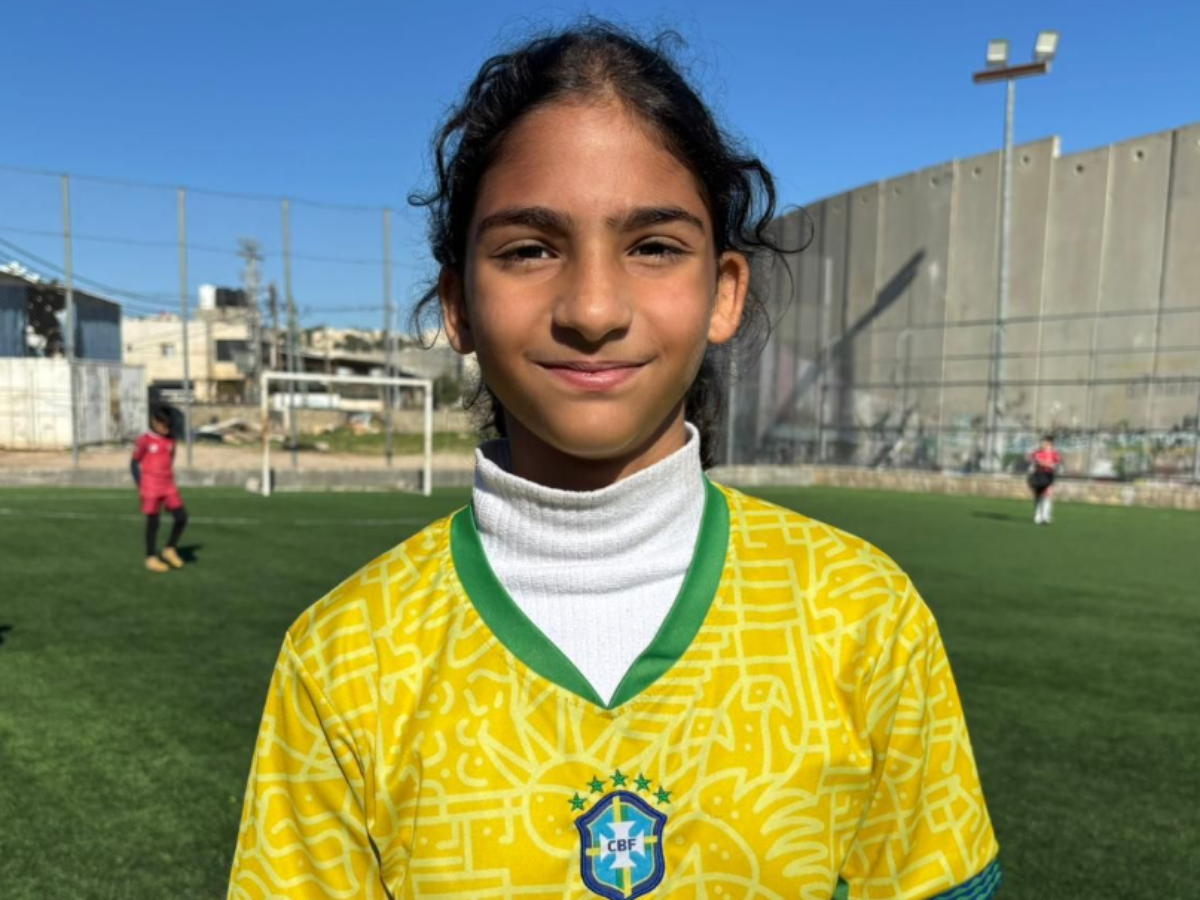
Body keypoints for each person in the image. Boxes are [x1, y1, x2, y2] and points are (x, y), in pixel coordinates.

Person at [227, 22, 1000, 900]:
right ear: (459, 306)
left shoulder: (863, 615)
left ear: (724, 292)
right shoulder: (344, 655)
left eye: (654, 246)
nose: (593, 309)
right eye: (529, 249)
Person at [131, 405, 188, 572]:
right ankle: (151, 557)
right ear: (154, 422)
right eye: (164, 425)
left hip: (168, 486)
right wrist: (140, 484)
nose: (166, 429)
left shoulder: (171, 440)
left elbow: (170, 459)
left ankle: (169, 549)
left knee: (181, 517)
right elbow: (134, 463)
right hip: (150, 487)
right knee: (153, 522)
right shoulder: (144, 440)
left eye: (169, 426)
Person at [1028, 434, 1063, 525]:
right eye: (1042, 442)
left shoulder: (1054, 453)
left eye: (1044, 442)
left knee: (1048, 496)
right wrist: (1046, 463)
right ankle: (1038, 515)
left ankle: (1046, 516)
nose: (1042, 444)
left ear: (1049, 443)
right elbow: (1037, 461)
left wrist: (1049, 464)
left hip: (1049, 476)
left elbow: (1056, 464)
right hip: (1038, 475)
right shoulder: (1037, 452)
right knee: (1038, 496)